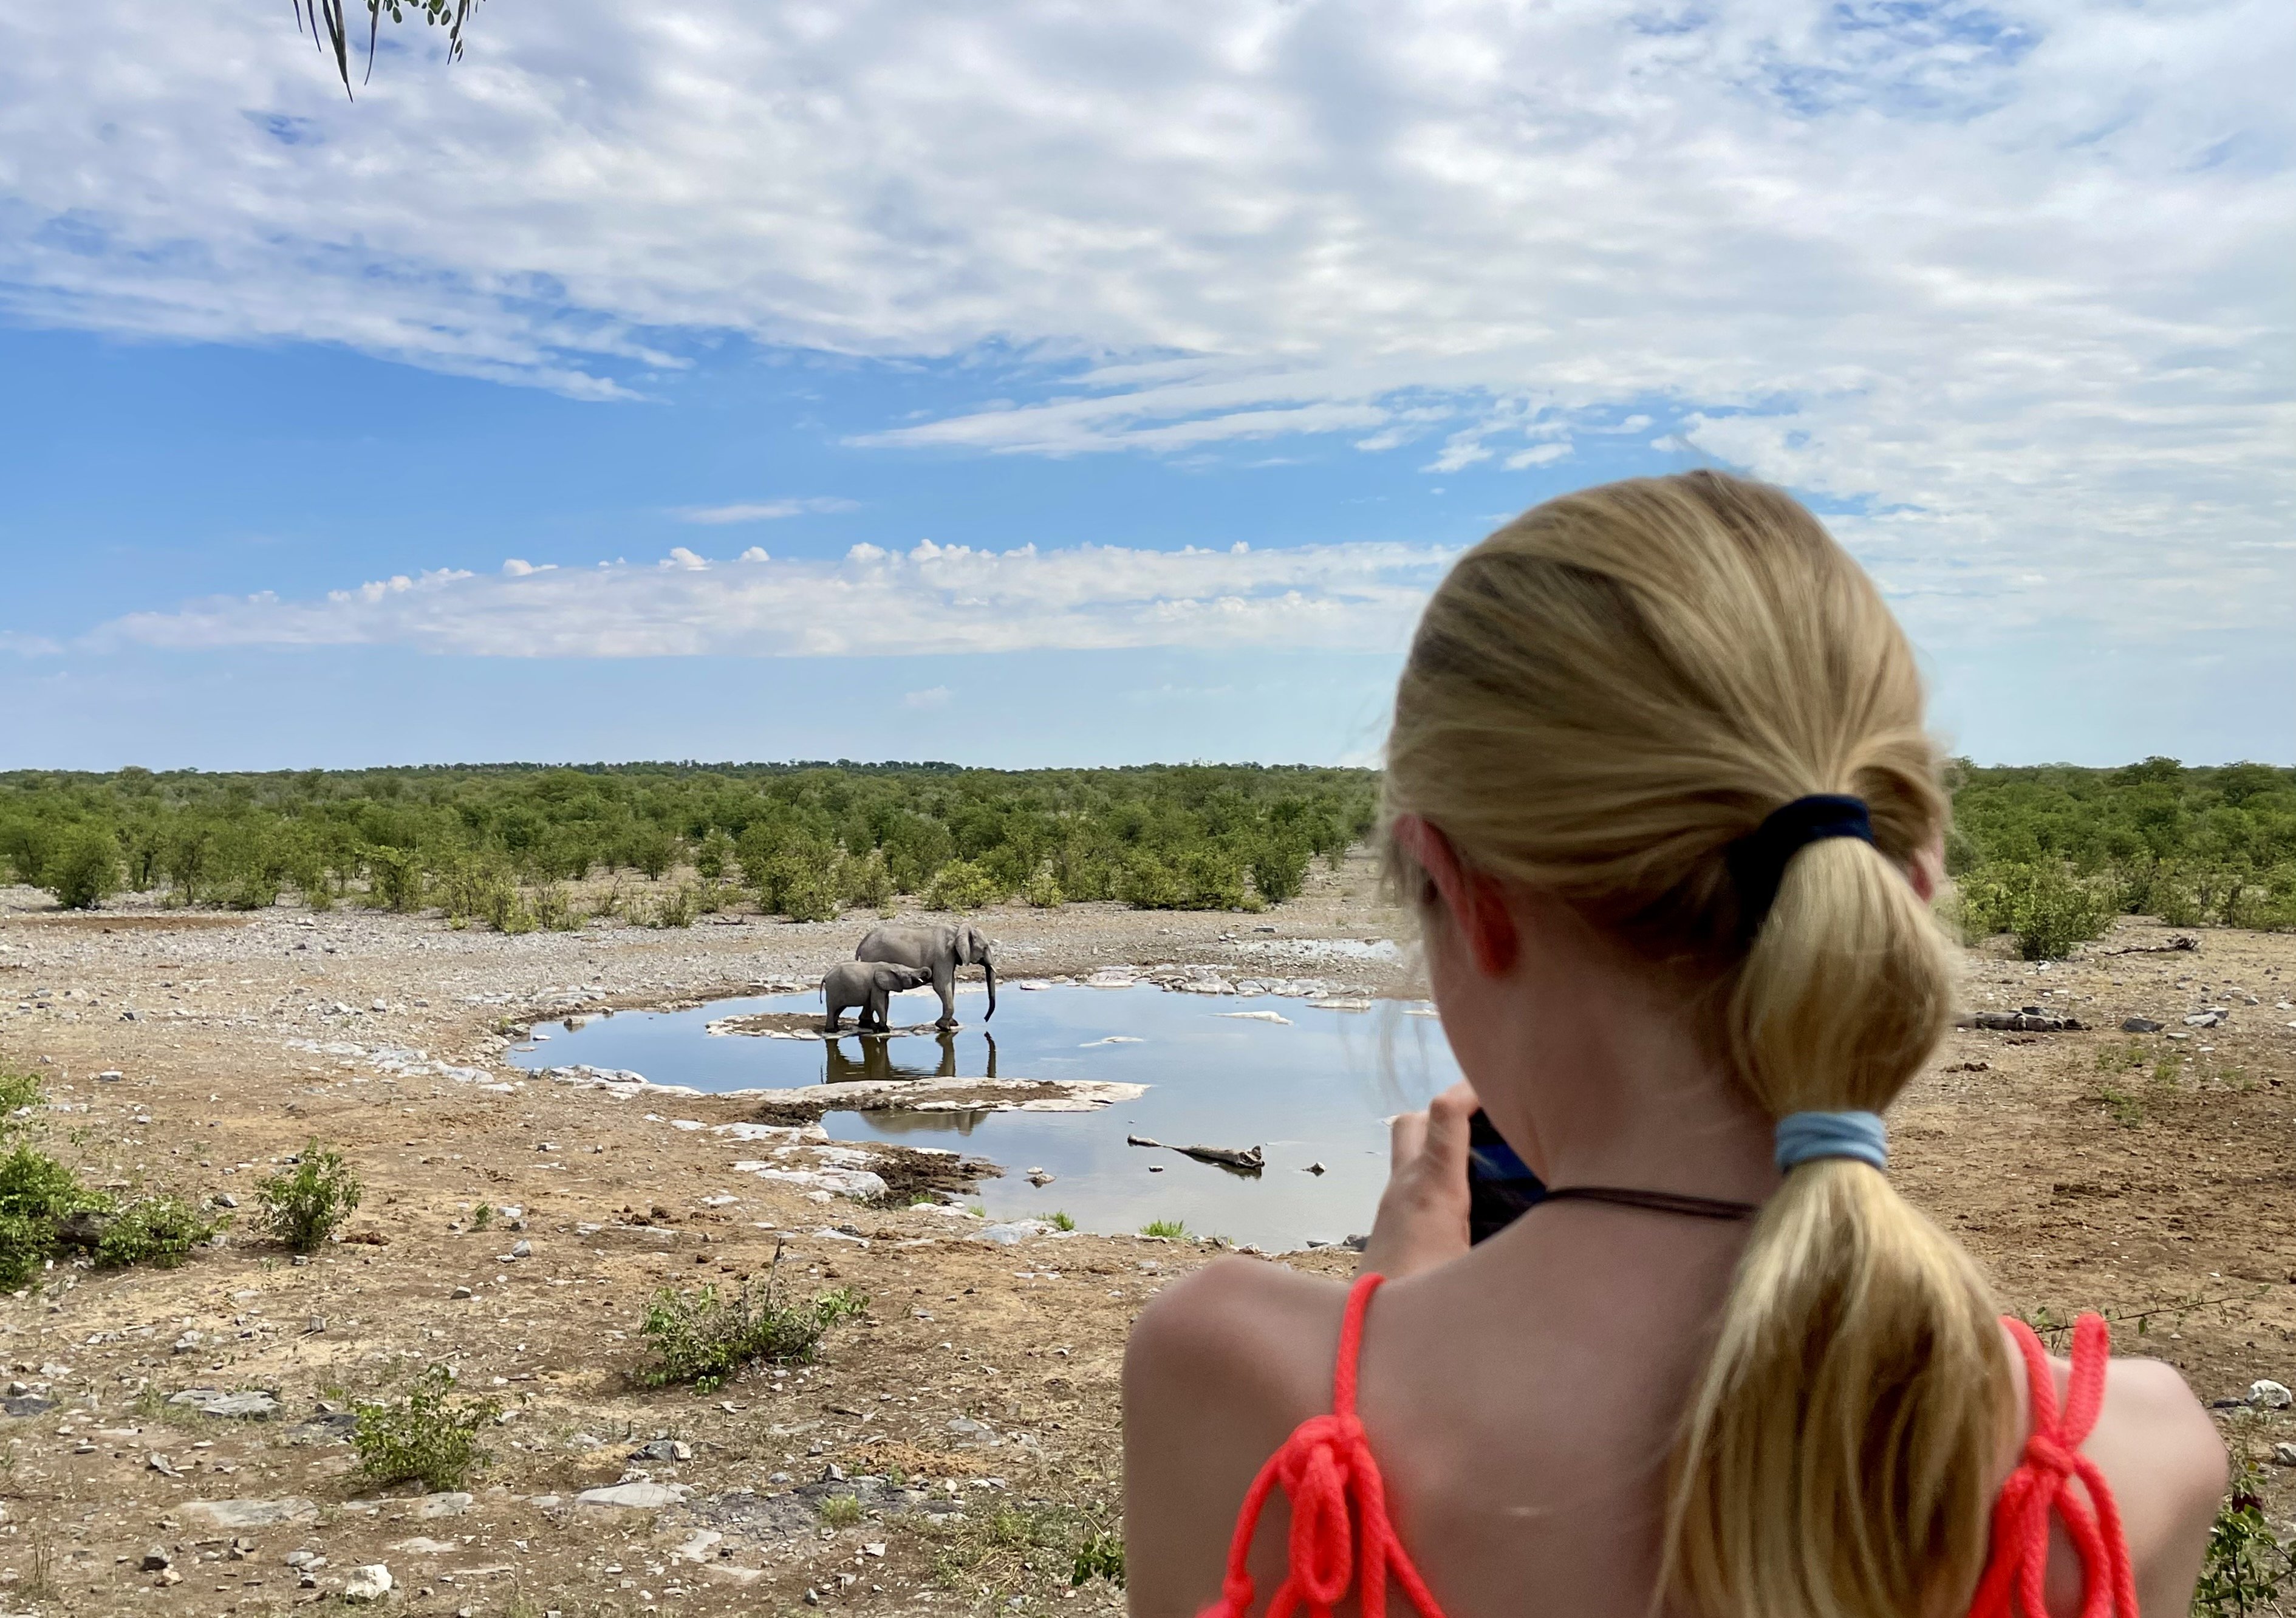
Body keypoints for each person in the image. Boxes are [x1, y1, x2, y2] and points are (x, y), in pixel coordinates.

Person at [1122, 471, 2225, 1618]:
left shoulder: (1245, 1385)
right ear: (1908, 883)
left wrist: (1389, 1325)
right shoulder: (2132, 1466)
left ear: (1466, 893)